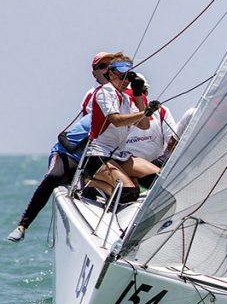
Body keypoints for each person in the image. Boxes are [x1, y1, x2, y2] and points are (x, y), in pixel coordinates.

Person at [7, 52, 117, 242]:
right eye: (102, 66)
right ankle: (23, 225)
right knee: (54, 177)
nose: (107, 69)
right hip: (71, 152)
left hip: (100, 153)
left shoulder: (125, 93)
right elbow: (85, 123)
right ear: (94, 73)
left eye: (111, 65)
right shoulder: (93, 94)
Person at [81, 56, 161, 205]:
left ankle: (122, 179)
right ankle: (90, 181)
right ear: (111, 74)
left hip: (119, 156)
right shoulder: (105, 92)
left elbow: (144, 125)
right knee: (129, 194)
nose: (126, 81)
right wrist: (145, 113)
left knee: (159, 179)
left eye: (128, 77)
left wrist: (138, 95)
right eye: (122, 76)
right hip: (98, 156)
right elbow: (116, 120)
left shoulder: (125, 98)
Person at [124, 73, 178, 172]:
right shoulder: (119, 113)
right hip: (128, 167)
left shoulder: (161, 111)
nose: (139, 96)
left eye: (142, 91)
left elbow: (172, 142)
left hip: (156, 167)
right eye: (134, 92)